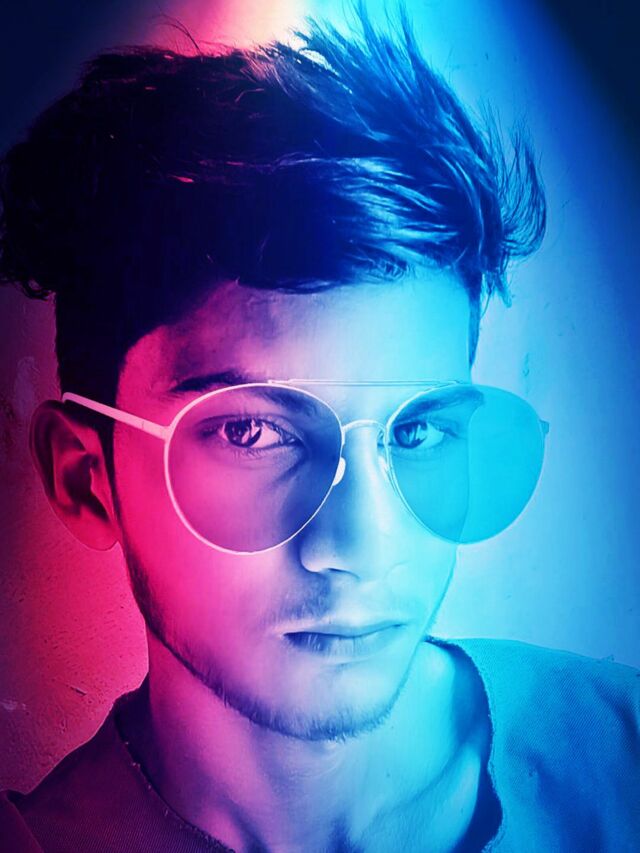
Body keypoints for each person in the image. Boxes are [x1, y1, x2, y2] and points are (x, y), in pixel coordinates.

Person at [0, 10, 638, 852]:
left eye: (418, 431)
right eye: (251, 432)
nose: (361, 545)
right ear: (88, 478)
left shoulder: (619, 752)